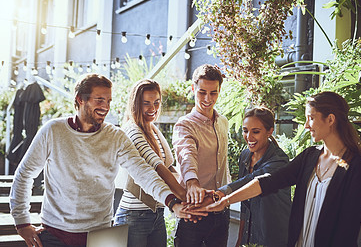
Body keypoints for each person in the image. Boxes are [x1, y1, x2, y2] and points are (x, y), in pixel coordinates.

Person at [9, 73, 197, 247]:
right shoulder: (52, 131)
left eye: (108, 101)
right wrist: (22, 222)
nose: (106, 106)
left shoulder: (116, 136)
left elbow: (143, 172)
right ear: (80, 100)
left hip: (102, 236)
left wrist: (172, 202)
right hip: (56, 234)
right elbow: (25, 174)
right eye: (99, 100)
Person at [194, 91, 361, 247]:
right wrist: (225, 201)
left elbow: (348, 230)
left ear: (330, 119)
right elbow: (269, 182)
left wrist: (224, 197)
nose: (306, 126)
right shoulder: (310, 156)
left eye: (311, 118)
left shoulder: (356, 167)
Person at [113, 79, 187, 247]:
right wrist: (183, 196)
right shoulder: (132, 131)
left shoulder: (153, 129)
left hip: (157, 213)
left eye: (156, 102)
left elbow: (168, 166)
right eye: (146, 103)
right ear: (135, 103)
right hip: (133, 215)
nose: (152, 109)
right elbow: (156, 166)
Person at [215, 107, 291, 247]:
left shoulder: (279, 160)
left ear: (270, 131)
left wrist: (222, 193)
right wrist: (240, 240)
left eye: (255, 132)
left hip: (274, 237)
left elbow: (253, 180)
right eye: (245, 131)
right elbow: (245, 206)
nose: (249, 137)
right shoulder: (245, 156)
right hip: (250, 235)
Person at [172, 64, 231, 247]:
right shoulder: (185, 125)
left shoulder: (223, 122)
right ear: (193, 89)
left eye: (213, 93)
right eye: (202, 92)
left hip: (221, 209)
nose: (207, 98)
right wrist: (192, 183)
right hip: (195, 213)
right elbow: (186, 153)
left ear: (219, 90)